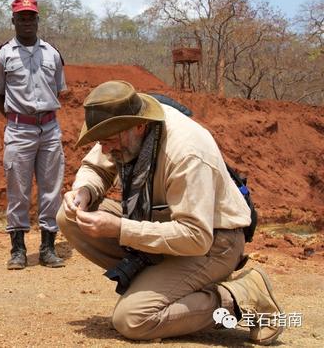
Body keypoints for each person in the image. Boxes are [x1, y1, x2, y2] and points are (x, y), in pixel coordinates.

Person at [57, 80, 283, 345]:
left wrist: (120, 229)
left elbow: (196, 236)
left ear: (139, 126)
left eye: (108, 142)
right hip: (162, 226)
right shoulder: (123, 127)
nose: (105, 149)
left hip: (215, 241)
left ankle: (239, 298)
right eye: (101, 142)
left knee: (133, 319)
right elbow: (97, 167)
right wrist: (84, 192)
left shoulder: (186, 153)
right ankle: (162, 284)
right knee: (68, 216)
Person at [0, 0, 67, 270]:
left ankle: (48, 248)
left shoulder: (52, 54)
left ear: (37, 19)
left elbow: (57, 89)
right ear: (13, 21)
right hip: (19, 129)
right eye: (21, 17)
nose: (26, 22)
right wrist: (17, 119)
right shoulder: (2, 56)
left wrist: (39, 118)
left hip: (49, 128)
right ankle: (18, 250)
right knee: (17, 190)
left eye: (31, 16)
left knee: (51, 189)